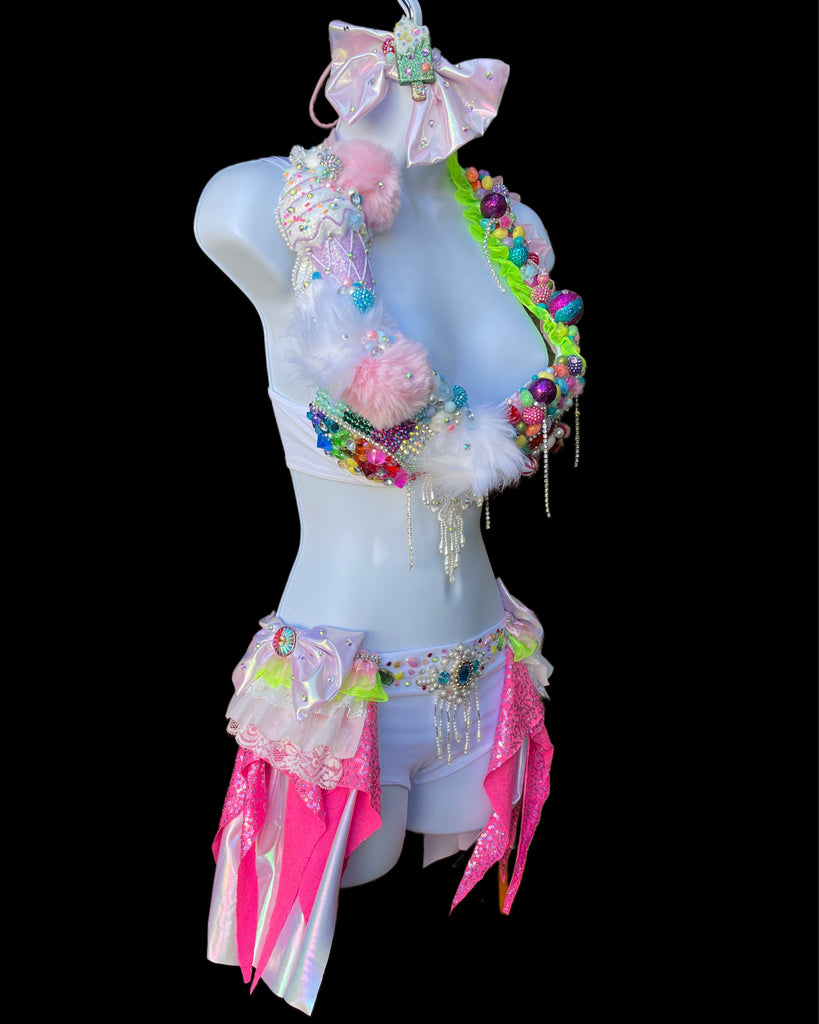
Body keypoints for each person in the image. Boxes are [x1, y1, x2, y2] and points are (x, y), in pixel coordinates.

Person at [197, 3, 584, 1013]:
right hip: (339, 685)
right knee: (298, 964)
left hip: (489, 665)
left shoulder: (513, 227)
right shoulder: (261, 205)